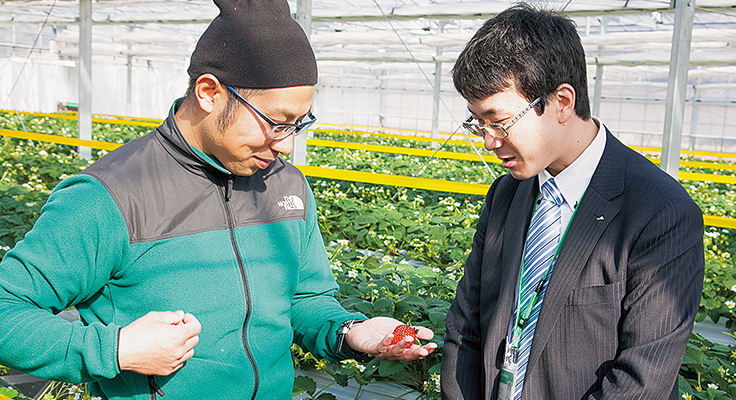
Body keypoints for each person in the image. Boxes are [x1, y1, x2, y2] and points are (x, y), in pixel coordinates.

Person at [0, 0, 435, 398]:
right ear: (209, 92)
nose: (285, 145)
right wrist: (114, 350)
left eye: (299, 123)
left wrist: (351, 331)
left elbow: (304, 298)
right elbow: (6, 309)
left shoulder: (288, 187)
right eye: (276, 121)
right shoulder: (110, 197)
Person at [441, 4, 704, 400]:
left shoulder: (660, 212)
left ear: (563, 101)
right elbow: (466, 328)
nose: (489, 142)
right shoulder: (506, 195)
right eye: (478, 123)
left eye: (499, 121)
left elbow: (641, 380)